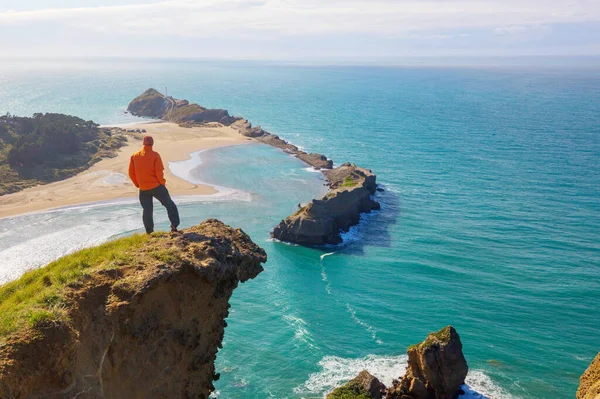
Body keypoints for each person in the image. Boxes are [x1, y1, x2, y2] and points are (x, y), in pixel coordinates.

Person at [128, 135, 180, 234]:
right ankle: (174, 226)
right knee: (170, 205)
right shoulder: (155, 155)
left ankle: (149, 232)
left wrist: (137, 184)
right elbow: (159, 172)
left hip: (143, 189)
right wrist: (162, 183)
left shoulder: (135, 156)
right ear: (152, 144)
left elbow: (131, 173)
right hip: (156, 187)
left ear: (143, 143)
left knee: (147, 210)